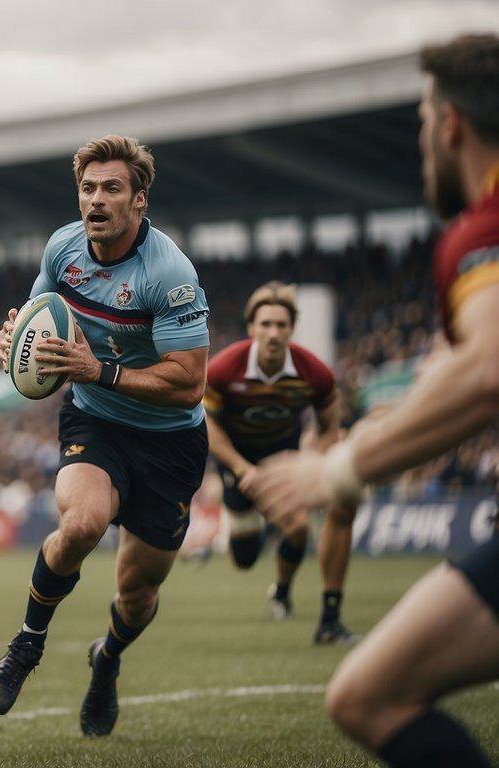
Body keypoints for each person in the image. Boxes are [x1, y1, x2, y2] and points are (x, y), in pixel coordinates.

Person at [249, 33, 499, 768]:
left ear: (449, 124)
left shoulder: (480, 232)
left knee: (368, 694)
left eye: (423, 121)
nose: (423, 141)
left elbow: (487, 367)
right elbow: (462, 368)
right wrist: (397, 420)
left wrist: (339, 471)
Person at [0, 135, 211, 738]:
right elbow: (38, 321)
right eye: (88, 188)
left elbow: (189, 385)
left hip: (170, 442)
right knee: (80, 524)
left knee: (136, 594)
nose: (96, 201)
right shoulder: (62, 247)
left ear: (139, 199)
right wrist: (13, 345)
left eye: (111, 189)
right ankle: (25, 648)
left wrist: (98, 369)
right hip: (96, 419)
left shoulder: (170, 273)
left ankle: (106, 660)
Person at [203, 281, 359, 643]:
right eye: (265, 325)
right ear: (251, 328)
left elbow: (328, 429)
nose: (273, 333)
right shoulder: (224, 369)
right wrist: (242, 469)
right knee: (244, 558)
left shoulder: (316, 374)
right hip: (236, 463)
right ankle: (247, 531)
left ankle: (283, 593)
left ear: (292, 329)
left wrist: (316, 469)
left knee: (300, 528)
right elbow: (206, 423)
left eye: (281, 325)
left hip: (282, 460)